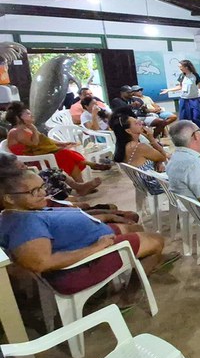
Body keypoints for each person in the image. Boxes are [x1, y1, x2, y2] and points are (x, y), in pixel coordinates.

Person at [0, 168, 173, 297]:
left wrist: (104, 218)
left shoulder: (21, 212)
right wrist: (97, 247)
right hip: (85, 265)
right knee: (157, 240)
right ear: (8, 198)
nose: (43, 193)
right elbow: (41, 263)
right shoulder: (24, 224)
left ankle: (144, 258)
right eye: (33, 191)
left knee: (134, 227)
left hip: (89, 239)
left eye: (41, 187)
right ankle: (131, 293)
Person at [0, 153, 137, 223]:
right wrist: (104, 217)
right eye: (21, 168)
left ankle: (79, 187)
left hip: (63, 213)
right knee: (129, 216)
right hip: (68, 220)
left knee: (54, 169)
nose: (25, 167)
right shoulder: (22, 212)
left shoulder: (25, 205)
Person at [5, 102, 110, 183]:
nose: (31, 115)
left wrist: (62, 143)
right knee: (64, 154)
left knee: (65, 153)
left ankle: (81, 182)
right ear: (18, 117)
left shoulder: (27, 128)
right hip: (32, 160)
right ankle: (87, 170)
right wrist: (34, 129)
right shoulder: (16, 131)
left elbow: (45, 141)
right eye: (27, 114)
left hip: (42, 154)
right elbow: (35, 144)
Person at [110, 110, 167, 195]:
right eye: (136, 123)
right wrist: (152, 140)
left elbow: (159, 158)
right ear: (128, 131)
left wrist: (158, 162)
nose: (141, 123)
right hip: (156, 185)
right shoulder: (139, 147)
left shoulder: (124, 146)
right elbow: (163, 157)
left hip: (142, 184)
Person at [160, 60, 200, 141]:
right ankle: (188, 134)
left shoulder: (195, 75)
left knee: (197, 117)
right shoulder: (182, 76)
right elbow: (180, 87)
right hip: (184, 100)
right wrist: (168, 90)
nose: (180, 68)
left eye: (180, 66)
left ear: (186, 67)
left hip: (195, 100)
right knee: (184, 118)